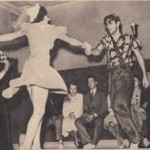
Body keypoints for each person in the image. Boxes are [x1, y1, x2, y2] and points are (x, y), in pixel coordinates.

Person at [0, 4, 91, 150]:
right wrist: (85, 45)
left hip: (30, 69)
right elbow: (71, 40)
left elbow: (12, 35)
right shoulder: (52, 30)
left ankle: (36, 146)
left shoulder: (29, 28)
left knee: (38, 110)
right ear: (44, 17)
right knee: (39, 111)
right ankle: (26, 146)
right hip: (41, 69)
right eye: (48, 16)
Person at [84, 14, 149, 148]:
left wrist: (145, 75)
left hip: (125, 74)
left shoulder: (128, 38)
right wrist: (89, 50)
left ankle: (135, 139)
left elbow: (139, 57)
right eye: (106, 24)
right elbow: (97, 51)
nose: (108, 26)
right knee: (115, 106)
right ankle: (134, 138)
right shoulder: (106, 39)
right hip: (111, 75)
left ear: (118, 23)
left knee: (119, 103)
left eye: (111, 23)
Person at [75, 76, 107, 149]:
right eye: (88, 82)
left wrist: (93, 115)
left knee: (99, 122)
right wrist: (86, 114)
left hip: (98, 116)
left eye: (91, 81)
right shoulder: (86, 95)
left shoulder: (102, 94)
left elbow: (104, 109)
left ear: (96, 82)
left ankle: (93, 143)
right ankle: (87, 142)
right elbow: (85, 107)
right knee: (77, 121)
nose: (90, 83)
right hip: (88, 116)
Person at [62, 82, 83, 148]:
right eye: (71, 89)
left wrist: (75, 114)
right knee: (65, 122)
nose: (73, 91)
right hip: (69, 116)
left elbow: (80, 107)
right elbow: (65, 108)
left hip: (78, 114)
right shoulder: (66, 97)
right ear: (69, 89)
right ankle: (76, 139)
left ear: (77, 89)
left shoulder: (80, 96)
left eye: (74, 89)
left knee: (74, 122)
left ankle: (76, 141)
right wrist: (69, 114)